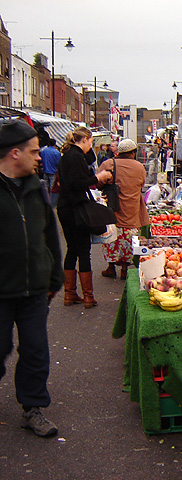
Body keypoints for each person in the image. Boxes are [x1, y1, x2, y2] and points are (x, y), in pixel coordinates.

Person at [0, 119, 64, 437]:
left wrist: (54, 278)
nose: (40, 157)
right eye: (34, 151)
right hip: (1, 289)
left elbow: (49, 236)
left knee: (36, 350)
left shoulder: (35, 188)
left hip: (34, 289)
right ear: (15, 153)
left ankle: (32, 408)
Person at [57, 127, 112, 309]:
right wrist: (99, 176)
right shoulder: (75, 156)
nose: (91, 145)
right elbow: (77, 183)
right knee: (83, 250)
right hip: (75, 209)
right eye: (90, 142)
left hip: (65, 207)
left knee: (72, 249)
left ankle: (70, 294)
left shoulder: (69, 155)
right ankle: (88, 297)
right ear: (86, 139)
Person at [97, 139, 150, 279]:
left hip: (112, 207)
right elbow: (141, 184)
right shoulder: (139, 167)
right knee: (129, 237)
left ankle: (110, 267)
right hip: (132, 209)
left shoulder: (109, 163)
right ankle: (125, 269)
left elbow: (98, 181)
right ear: (133, 152)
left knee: (112, 237)